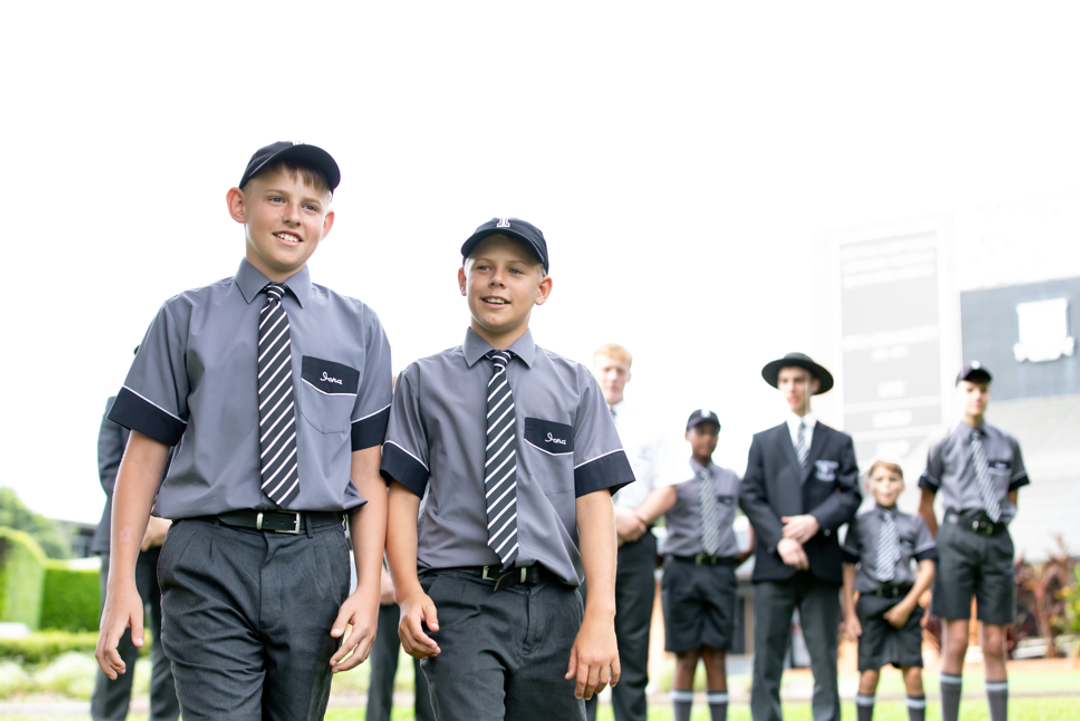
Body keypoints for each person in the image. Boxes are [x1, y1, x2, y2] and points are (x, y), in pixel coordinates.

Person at [94, 141, 393, 721]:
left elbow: (367, 473)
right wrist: (121, 582)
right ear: (238, 205)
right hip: (208, 556)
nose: (292, 216)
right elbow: (142, 459)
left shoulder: (360, 328)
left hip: (315, 561)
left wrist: (366, 584)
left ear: (327, 224)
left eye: (310, 206)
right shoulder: (183, 317)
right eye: (276, 199)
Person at [381, 217, 634, 721]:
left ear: (543, 289)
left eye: (516, 270)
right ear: (463, 280)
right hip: (459, 601)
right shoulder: (422, 380)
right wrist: (408, 592)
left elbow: (594, 503)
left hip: (554, 604)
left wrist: (600, 615)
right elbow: (401, 496)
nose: (497, 279)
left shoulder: (576, 386)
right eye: (484, 268)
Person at [739, 352, 861, 721]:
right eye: (786, 381)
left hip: (821, 565)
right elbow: (750, 495)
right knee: (767, 658)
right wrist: (781, 540)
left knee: (824, 657)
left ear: (813, 385)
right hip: (774, 566)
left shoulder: (839, 442)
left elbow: (851, 495)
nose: (792, 387)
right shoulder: (763, 442)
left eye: (799, 380)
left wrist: (815, 521)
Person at [917, 363, 1028, 721]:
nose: (976, 395)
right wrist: (943, 544)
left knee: (994, 643)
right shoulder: (943, 442)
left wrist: (997, 522)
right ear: (959, 394)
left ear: (989, 393)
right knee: (956, 641)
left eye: (982, 389)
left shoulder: (1008, 442)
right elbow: (925, 504)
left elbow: (1013, 496)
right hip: (955, 541)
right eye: (969, 389)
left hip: (996, 542)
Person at [586, 343, 671, 721]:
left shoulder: (650, 425)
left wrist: (634, 521)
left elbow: (668, 487)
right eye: (606, 369)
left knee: (633, 645)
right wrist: (609, 520)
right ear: (594, 372)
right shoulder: (575, 419)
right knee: (580, 640)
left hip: (636, 546)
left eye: (619, 370)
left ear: (629, 376)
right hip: (582, 546)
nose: (612, 377)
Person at [90, 393, 179, 721]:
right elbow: (111, 472)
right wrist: (146, 519)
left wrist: (166, 523)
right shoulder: (118, 405)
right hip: (125, 542)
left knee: (173, 645)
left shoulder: (191, 405)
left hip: (174, 539)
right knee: (117, 642)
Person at [660, 410, 753, 721]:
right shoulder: (673, 478)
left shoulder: (730, 478)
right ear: (687, 435)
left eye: (713, 432)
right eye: (700, 431)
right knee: (685, 655)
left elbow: (753, 509)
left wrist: (749, 548)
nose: (707, 438)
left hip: (720, 572)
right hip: (682, 571)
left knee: (716, 654)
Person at [841, 460, 936, 721]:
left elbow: (928, 568)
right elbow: (848, 569)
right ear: (869, 486)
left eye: (893, 480)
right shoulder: (858, 524)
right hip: (870, 604)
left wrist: (907, 605)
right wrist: (850, 613)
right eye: (880, 480)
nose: (886, 486)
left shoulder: (914, 523)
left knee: (913, 673)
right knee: (869, 675)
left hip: (905, 603)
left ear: (902, 485)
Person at [367, 562, 434, 721]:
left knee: (429, 673)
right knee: (381, 671)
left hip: (426, 587)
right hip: (387, 587)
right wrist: (377, 574)